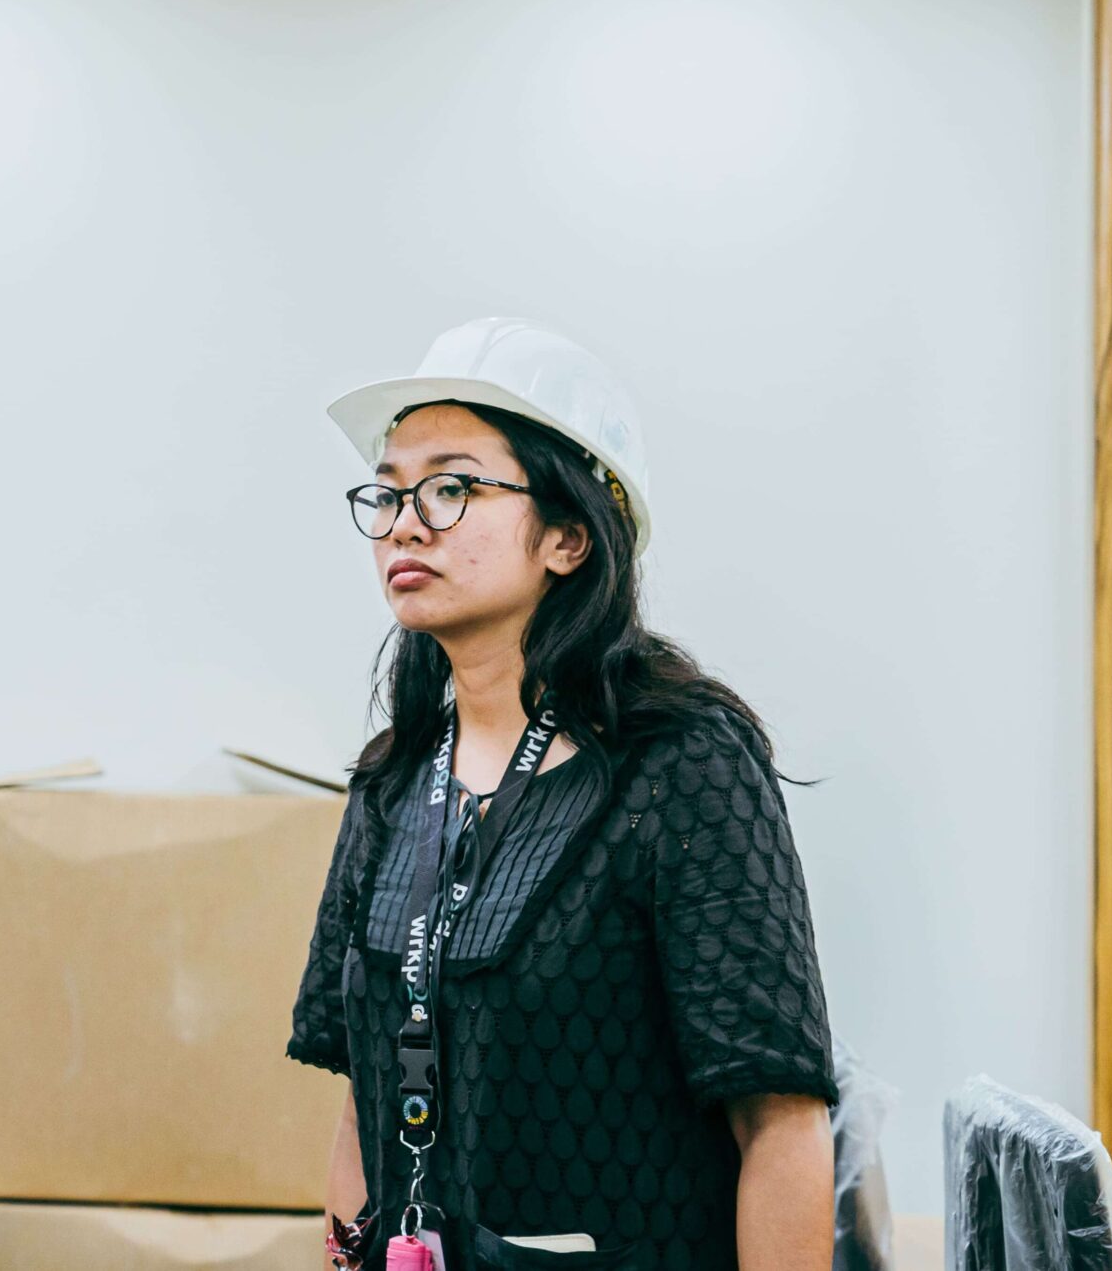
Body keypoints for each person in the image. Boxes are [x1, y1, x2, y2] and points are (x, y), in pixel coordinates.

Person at [289, 318, 838, 1271]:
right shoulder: (392, 781)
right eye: (388, 492)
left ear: (569, 535)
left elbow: (781, 1122)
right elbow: (359, 1110)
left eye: (452, 487)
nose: (405, 522)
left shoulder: (683, 766)